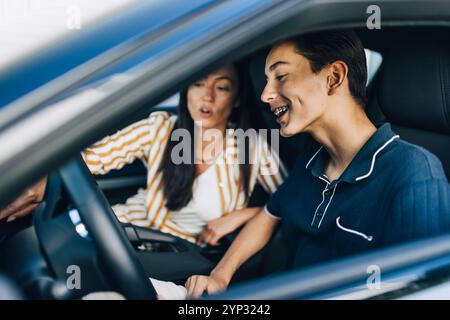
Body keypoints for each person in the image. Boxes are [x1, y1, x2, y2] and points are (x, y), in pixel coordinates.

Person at [185, 30, 450, 298]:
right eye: (267, 80)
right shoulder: (313, 158)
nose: (265, 95)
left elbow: (425, 289)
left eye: (281, 77)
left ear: (333, 78)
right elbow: (269, 214)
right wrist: (220, 275)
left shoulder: (415, 173)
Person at [0, 65, 287, 246]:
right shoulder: (159, 128)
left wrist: (244, 214)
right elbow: (96, 158)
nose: (207, 96)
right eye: (198, 83)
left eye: (222, 87)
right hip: (119, 229)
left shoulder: (252, 146)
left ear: (236, 98)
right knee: (29, 244)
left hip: (174, 255)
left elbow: (291, 201)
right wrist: (41, 178)